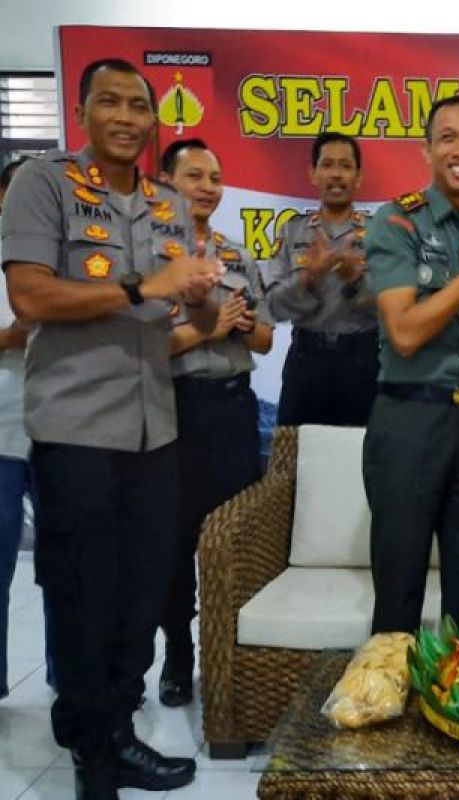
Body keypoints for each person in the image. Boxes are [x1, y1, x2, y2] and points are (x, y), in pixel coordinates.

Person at [1, 58, 223, 798]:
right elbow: (30, 296)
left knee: (142, 589)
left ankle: (120, 733)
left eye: (139, 106)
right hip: (76, 431)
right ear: (82, 109)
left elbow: (187, 315)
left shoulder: (166, 204)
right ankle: (92, 752)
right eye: (111, 103)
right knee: (80, 593)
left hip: (153, 431)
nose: (127, 117)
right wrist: (138, 284)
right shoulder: (45, 183)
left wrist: (197, 295)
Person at [362, 96, 459, 634]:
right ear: (426, 149)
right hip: (409, 419)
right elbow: (403, 333)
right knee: (399, 592)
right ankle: (387, 709)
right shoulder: (396, 221)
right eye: (447, 137)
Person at [157, 138, 272, 707]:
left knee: (234, 538)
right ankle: (178, 653)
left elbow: (266, 339)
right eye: (195, 175)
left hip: (232, 408)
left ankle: (230, 657)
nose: (208, 186)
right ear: (166, 183)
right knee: (175, 541)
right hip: (173, 410)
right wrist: (205, 330)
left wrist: (241, 323)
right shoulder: (151, 259)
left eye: (216, 176)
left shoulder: (236, 254)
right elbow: (141, 347)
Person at [264, 132, 376, 427]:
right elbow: (272, 308)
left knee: (359, 463)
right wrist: (308, 280)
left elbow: (391, 307)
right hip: (306, 362)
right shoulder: (292, 232)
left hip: (363, 363)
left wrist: (355, 282)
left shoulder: (379, 235)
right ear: (313, 174)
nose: (336, 174)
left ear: (359, 176)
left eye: (345, 165)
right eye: (327, 165)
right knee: (296, 462)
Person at [0, 157, 34, 701]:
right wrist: (22, 329)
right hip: (2, 436)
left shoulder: (70, 261)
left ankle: (67, 680)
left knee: (72, 573)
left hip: (68, 432)